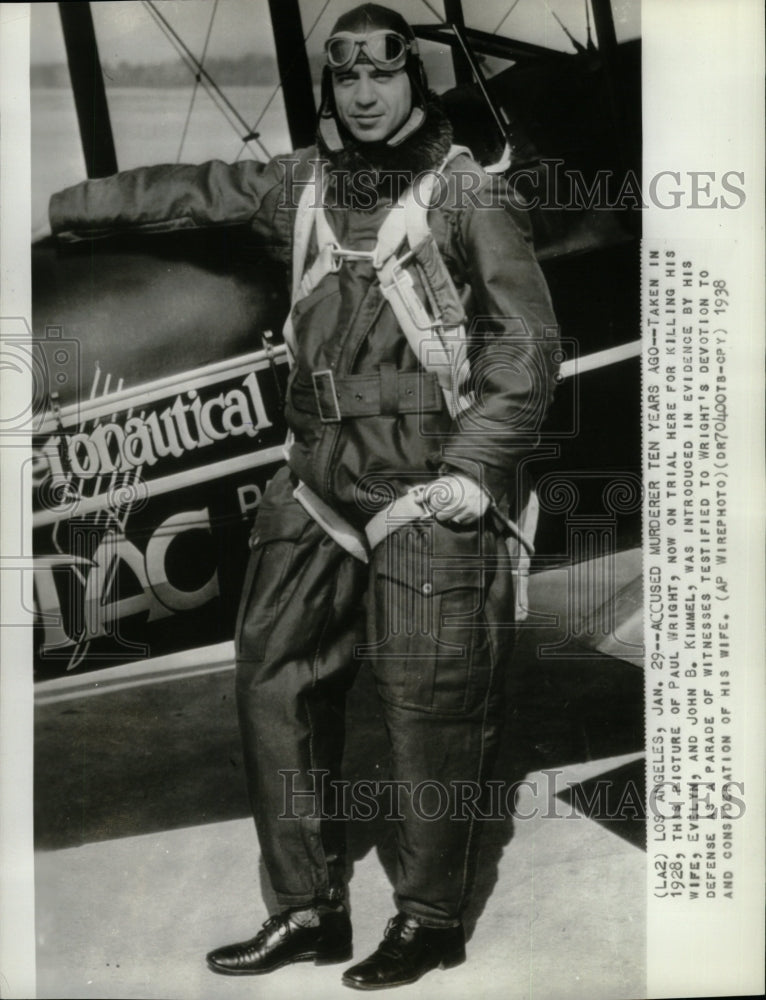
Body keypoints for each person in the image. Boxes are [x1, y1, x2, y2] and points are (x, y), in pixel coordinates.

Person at [50, 3, 558, 990]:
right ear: (330, 91)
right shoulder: (303, 185)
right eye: (347, 80)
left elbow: (524, 347)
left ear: (413, 82)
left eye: (383, 76)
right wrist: (72, 207)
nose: (365, 96)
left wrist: (472, 472)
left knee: (428, 703)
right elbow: (191, 192)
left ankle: (430, 917)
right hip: (318, 473)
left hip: (427, 479)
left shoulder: (465, 197)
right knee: (271, 681)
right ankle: (306, 908)